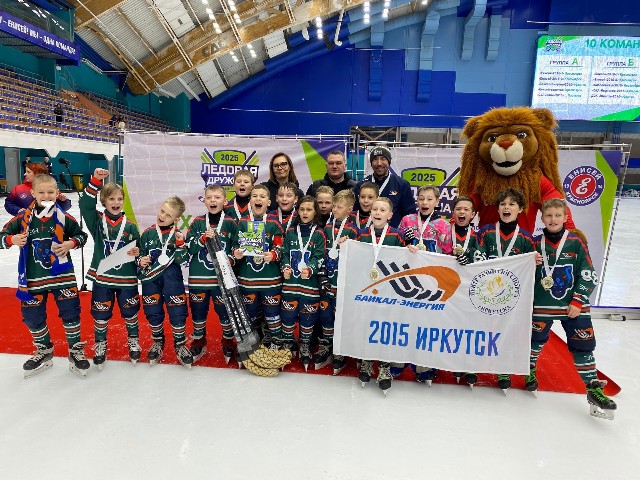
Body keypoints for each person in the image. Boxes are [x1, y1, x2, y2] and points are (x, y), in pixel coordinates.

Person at [528, 198, 617, 419]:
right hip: (542, 305)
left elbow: (588, 273)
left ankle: (593, 389)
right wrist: (529, 263)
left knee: (583, 346)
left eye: (558, 215)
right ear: (542, 218)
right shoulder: (534, 243)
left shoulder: (576, 241)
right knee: (534, 340)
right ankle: (529, 369)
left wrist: (578, 300)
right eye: (549, 215)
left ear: (565, 217)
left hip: (573, 306)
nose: (553, 219)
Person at [0, 173, 89, 378]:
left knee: (71, 313)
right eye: (41, 192)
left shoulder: (65, 218)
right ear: (33, 193)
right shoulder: (22, 218)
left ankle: (75, 350)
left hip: (63, 276)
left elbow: (81, 236)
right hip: (33, 278)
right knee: (32, 317)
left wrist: (71, 243)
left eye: (50, 192)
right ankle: (44, 349)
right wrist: (12, 239)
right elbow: (2, 236)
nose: (46, 196)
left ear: (57, 193)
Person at [472, 188, 536, 392]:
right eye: (503, 204)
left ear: (520, 209)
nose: (506, 207)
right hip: (486, 293)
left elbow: (531, 272)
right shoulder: (486, 231)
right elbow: (477, 258)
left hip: (511, 296)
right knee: (483, 329)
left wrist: (534, 262)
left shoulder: (526, 238)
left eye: (512, 204)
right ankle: (475, 364)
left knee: (509, 330)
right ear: (498, 209)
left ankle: (506, 367)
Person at [79, 168, 142, 370]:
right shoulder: (97, 222)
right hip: (103, 278)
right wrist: (95, 180)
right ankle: (100, 344)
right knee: (100, 314)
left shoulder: (130, 225)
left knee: (130, 312)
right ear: (103, 201)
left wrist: (138, 252)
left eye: (119, 199)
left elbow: (139, 249)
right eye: (111, 199)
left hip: (126, 279)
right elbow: (85, 204)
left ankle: (133, 340)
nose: (116, 203)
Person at [393, 185, 453, 384]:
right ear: (416, 200)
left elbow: (448, 254)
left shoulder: (443, 225)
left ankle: (424, 364)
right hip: (408, 280)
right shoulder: (407, 220)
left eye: (429, 199)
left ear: (437, 202)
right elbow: (396, 245)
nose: (425, 202)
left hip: (431, 283)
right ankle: (398, 360)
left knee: (426, 323)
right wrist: (405, 245)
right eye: (421, 198)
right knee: (404, 319)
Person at [356, 197, 406, 394]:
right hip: (366, 290)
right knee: (367, 326)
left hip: (388, 292)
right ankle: (367, 361)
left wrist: (411, 250)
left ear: (390, 215)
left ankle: (384, 366)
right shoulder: (361, 234)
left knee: (385, 328)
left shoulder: (396, 235)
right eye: (375, 209)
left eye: (382, 210)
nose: (377, 212)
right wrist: (344, 244)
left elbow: (404, 261)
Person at [137, 196, 193, 368]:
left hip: (172, 281)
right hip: (151, 281)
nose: (162, 216)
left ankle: (180, 344)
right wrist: (141, 261)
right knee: (153, 311)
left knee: (178, 311)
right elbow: (139, 256)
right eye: (162, 211)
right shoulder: (147, 233)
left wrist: (180, 244)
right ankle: (158, 341)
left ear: (176, 219)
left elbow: (184, 261)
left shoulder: (178, 235)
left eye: (168, 215)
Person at [185, 185, 237, 364]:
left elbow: (237, 246)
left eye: (217, 197)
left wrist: (231, 259)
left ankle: (228, 341)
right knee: (198, 312)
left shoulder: (230, 222)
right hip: (198, 278)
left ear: (225, 201)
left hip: (221, 280)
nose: (213, 200)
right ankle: (199, 341)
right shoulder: (198, 222)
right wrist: (201, 239)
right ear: (204, 201)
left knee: (225, 313)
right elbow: (188, 247)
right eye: (209, 197)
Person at [232, 184, 285, 356]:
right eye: (255, 196)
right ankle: (251, 344)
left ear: (269, 202)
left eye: (262, 196)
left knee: (272, 314)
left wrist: (274, 254)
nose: (258, 199)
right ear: (250, 200)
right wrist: (236, 253)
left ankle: (277, 343)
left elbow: (280, 247)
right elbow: (235, 245)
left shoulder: (274, 223)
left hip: (270, 281)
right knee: (250, 314)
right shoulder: (242, 222)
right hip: (248, 281)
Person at [280, 196, 326, 370]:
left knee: (308, 319)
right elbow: (285, 253)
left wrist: (311, 269)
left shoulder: (319, 233)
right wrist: (285, 266)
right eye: (302, 209)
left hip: (309, 287)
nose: (305, 212)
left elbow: (319, 256)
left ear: (315, 212)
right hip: (290, 285)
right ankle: (288, 344)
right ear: (297, 211)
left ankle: (305, 345)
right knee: (288, 317)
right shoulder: (291, 231)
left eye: (309, 209)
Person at [317, 189, 359, 374]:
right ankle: (326, 345)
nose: (334, 209)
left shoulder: (353, 231)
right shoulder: (326, 228)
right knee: (326, 315)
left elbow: (357, 258)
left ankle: (340, 350)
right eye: (333, 206)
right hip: (327, 280)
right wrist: (321, 275)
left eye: (339, 207)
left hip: (342, 284)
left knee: (341, 317)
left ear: (349, 209)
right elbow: (321, 252)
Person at [450, 195, 480, 386]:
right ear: (453, 212)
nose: (462, 212)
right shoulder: (445, 232)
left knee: (470, 327)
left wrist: (469, 261)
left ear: (473, 214)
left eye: (466, 209)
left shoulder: (478, 235)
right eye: (458, 209)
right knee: (450, 325)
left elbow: (483, 259)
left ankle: (470, 364)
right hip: (448, 288)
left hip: (470, 290)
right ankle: (452, 361)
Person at [353, 146, 415, 228]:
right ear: (371, 163)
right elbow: (354, 213)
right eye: (375, 159)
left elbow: (409, 215)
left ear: (389, 162)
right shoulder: (361, 185)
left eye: (383, 159)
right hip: (366, 233)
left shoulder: (402, 185)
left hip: (393, 234)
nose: (379, 163)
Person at [5, 162, 71, 216]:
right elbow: (8, 203)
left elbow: (62, 207)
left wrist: (63, 201)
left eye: (28, 172)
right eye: (25, 172)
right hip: (24, 223)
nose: (25, 174)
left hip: (48, 223)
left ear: (38, 173)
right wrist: (17, 210)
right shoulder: (18, 189)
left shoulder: (49, 188)